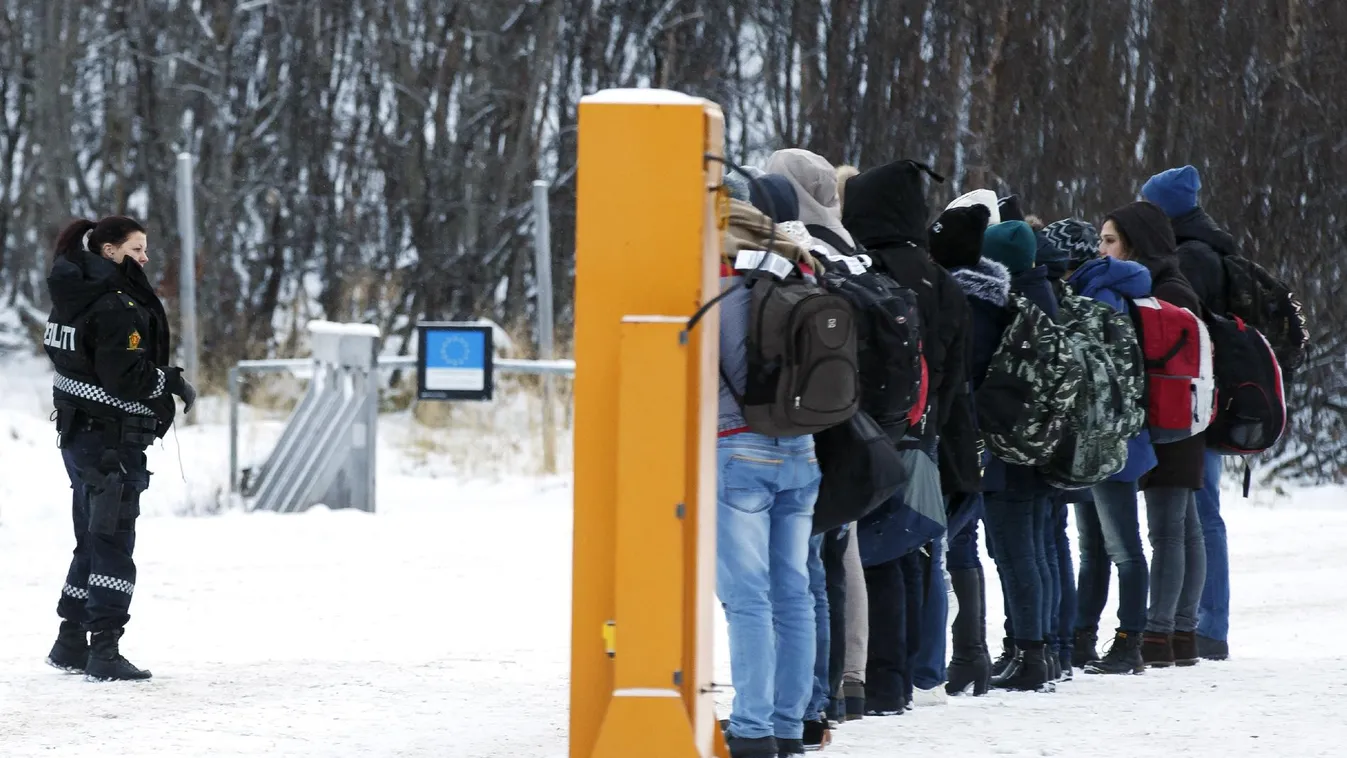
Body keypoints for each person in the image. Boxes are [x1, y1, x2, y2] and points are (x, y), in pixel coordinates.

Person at [42, 216, 196, 682]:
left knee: (92, 537)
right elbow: (124, 376)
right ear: (109, 251)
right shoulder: (114, 306)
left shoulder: (72, 295)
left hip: (78, 436)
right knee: (112, 541)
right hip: (109, 442)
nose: (146, 258)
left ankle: (70, 640)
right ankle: (104, 649)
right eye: (137, 249)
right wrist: (168, 380)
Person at [840, 160, 967, 715]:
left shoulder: (867, 269)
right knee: (920, 551)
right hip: (929, 433)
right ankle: (921, 669)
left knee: (872, 557)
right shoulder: (942, 279)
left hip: (875, 432)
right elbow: (958, 372)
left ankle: (878, 676)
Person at [717, 172, 822, 758]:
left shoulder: (718, 292)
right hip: (801, 452)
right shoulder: (800, 276)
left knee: (747, 597)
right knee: (794, 593)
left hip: (738, 451)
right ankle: (788, 724)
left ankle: (751, 729)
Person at [766, 148, 870, 725]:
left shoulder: (797, 250)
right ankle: (833, 690)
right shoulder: (853, 251)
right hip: (850, 419)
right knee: (833, 563)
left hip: (800, 426)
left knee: (799, 572)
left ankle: (805, 699)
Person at [1100, 201, 1208, 669]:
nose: (1100, 250)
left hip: (1169, 419)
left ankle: (1160, 635)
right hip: (1183, 417)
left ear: (1134, 242)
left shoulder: (1160, 290)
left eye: (1109, 240)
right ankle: (1181, 632)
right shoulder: (1173, 282)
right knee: (1184, 528)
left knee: (1170, 531)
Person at [1055, 219, 1158, 675]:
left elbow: (1106, 379)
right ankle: (1082, 637)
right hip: (1103, 443)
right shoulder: (1094, 289)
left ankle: (1128, 641)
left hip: (1110, 444)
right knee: (1094, 547)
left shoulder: (1101, 296)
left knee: (1122, 549)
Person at [1142, 165, 1232, 661]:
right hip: (1207, 394)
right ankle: (1201, 623)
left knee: (1200, 515)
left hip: (1197, 399)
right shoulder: (1207, 246)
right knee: (1198, 515)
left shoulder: (1191, 256)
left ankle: (1206, 625)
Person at [976, 219, 1061, 692]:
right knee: (1034, 550)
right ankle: (1039, 649)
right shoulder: (1043, 293)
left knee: (1014, 554)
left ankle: (1028, 652)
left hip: (1013, 448)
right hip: (1039, 444)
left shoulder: (1013, 305)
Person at [927, 202, 995, 696]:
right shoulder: (998, 295)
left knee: (943, 541)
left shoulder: (951, 295)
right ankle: (972, 651)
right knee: (965, 544)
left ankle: (963, 652)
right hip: (976, 431)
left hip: (952, 427)